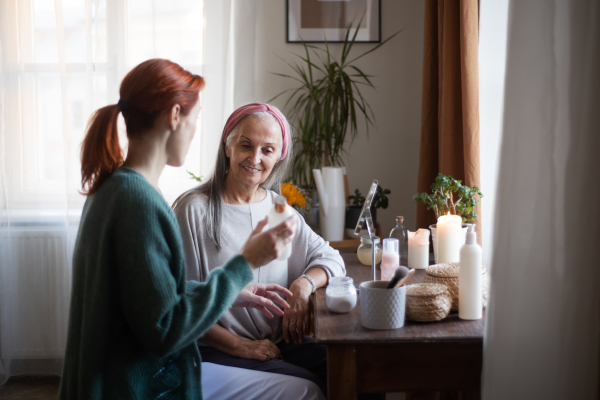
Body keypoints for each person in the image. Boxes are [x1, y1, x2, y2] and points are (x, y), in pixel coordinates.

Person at [57, 60, 326, 400]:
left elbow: (149, 298)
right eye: (195, 118)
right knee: (308, 391)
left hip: (111, 382)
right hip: (130, 387)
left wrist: (231, 293)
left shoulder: (117, 189)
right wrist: (244, 263)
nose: (196, 129)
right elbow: (166, 330)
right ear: (174, 116)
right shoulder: (139, 202)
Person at [173, 103, 346, 396]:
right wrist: (241, 346)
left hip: (278, 343)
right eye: (245, 145)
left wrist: (303, 285)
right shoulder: (194, 210)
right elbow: (180, 305)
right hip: (217, 349)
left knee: (358, 365)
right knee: (313, 384)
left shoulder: (277, 207)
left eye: (267, 150)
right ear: (227, 146)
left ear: (278, 157)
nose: (255, 158)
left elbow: (331, 258)